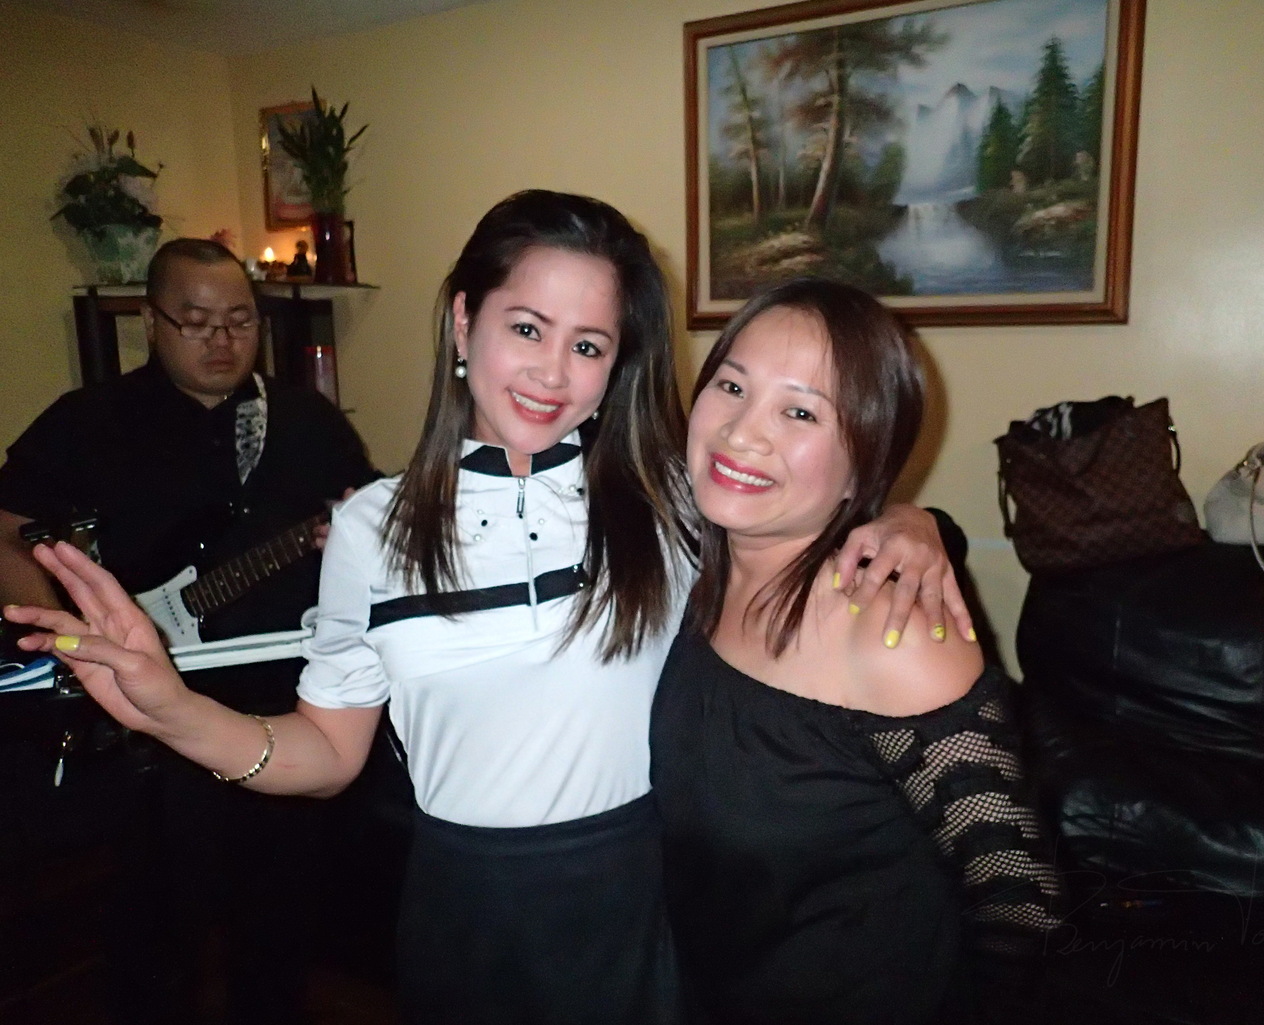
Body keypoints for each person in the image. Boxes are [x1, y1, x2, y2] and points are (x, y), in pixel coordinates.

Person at [5, 192, 970, 1025]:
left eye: (587, 345)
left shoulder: (666, 498)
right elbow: (328, 753)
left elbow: (809, 503)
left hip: (643, 900)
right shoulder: (371, 528)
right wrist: (171, 707)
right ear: (464, 322)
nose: (553, 373)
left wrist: (911, 520)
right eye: (527, 328)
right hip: (460, 906)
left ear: (616, 363)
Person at [650, 278, 1060, 1024]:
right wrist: (915, 518)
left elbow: (1021, 900)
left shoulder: (891, 632)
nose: (742, 433)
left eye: (800, 411)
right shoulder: (692, 564)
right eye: (732, 386)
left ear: (863, 462)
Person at [0, 237, 375, 1025]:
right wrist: (65, 635)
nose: (223, 339)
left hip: (289, 707)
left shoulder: (305, 420)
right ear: (151, 321)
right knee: (155, 925)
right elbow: (8, 529)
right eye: (197, 322)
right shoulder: (88, 421)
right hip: (152, 726)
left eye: (240, 320)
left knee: (279, 923)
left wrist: (356, 535)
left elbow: (367, 518)